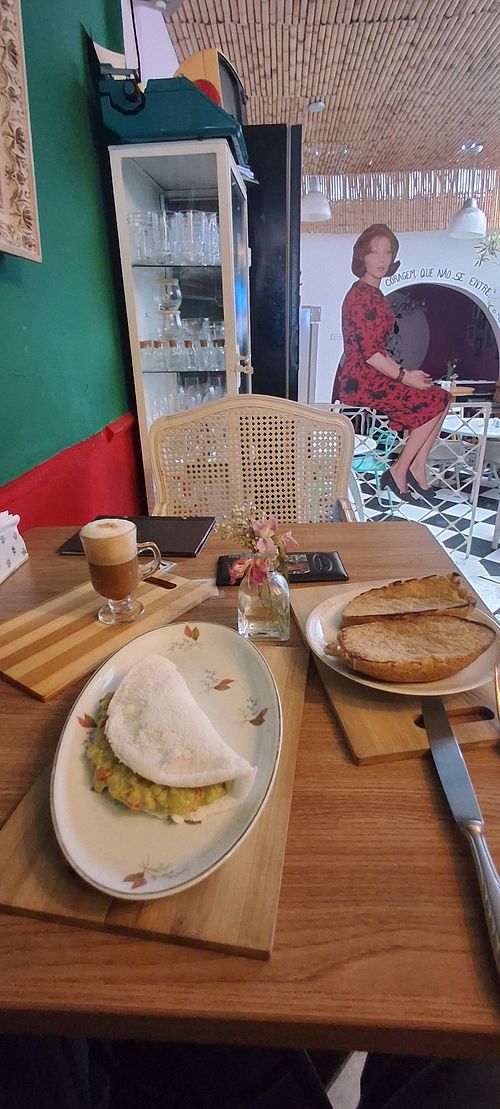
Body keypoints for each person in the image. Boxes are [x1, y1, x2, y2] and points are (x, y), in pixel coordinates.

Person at [334, 223, 451, 498]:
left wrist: (406, 373)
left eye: (388, 252)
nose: (382, 259)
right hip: (360, 380)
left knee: (443, 398)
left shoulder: (374, 294)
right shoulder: (360, 297)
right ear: (362, 256)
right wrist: (405, 376)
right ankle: (399, 470)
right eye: (374, 252)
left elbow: (378, 351)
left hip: (374, 374)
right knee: (435, 399)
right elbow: (371, 354)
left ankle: (417, 466)